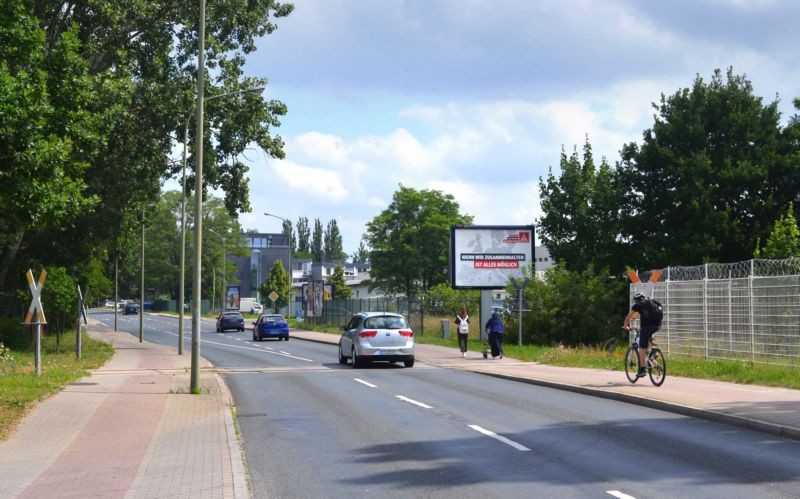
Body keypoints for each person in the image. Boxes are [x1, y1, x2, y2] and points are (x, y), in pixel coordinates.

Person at [623, 289, 660, 378]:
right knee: (649, 337)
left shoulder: (637, 306)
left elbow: (628, 318)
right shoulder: (652, 302)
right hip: (657, 325)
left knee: (642, 347)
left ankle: (642, 369)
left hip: (646, 328)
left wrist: (625, 327)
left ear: (636, 299)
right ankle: (654, 351)